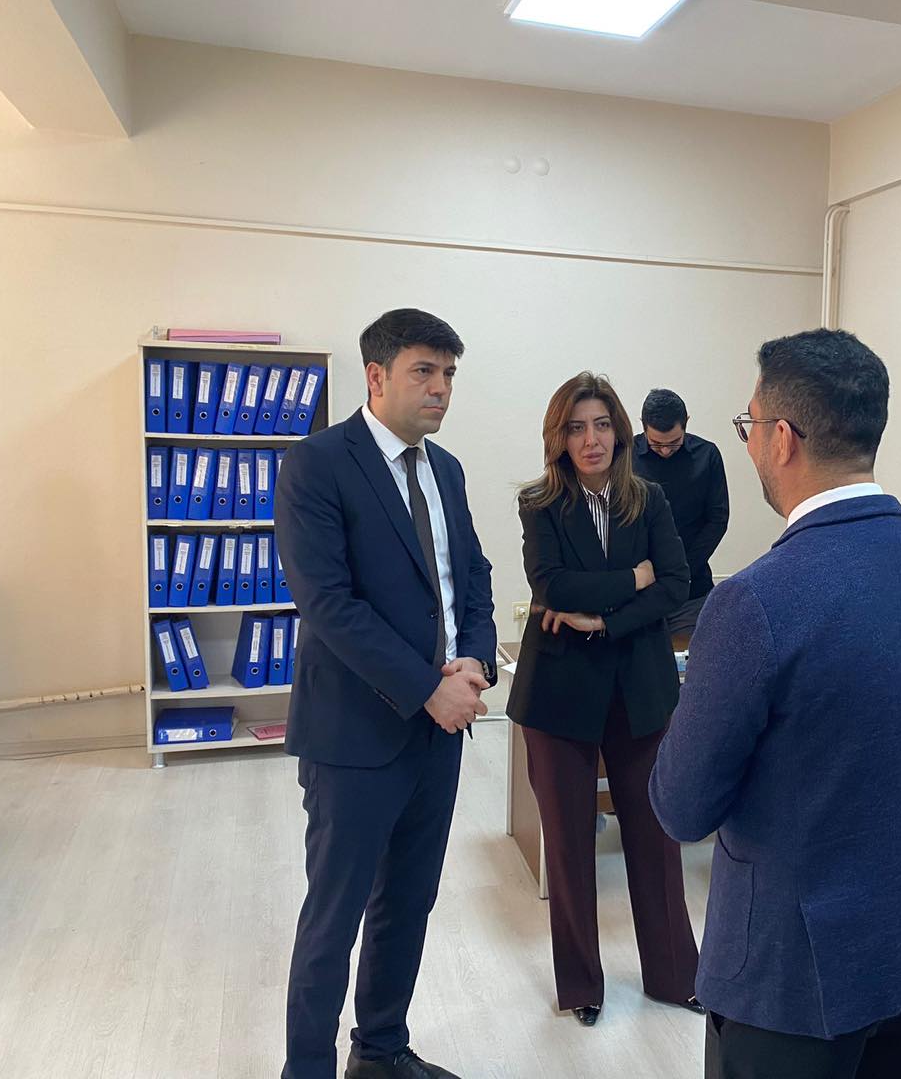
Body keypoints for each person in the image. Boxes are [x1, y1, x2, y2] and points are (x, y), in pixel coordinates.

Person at [650, 329, 901, 1079]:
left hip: (792, 978)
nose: (750, 444)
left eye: (749, 426)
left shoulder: (753, 603)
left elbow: (682, 807)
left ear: (782, 438)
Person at [275, 309, 497, 1079]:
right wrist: (426, 688)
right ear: (376, 377)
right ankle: (306, 1069)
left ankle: (380, 1051)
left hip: (438, 733)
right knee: (333, 918)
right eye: (423, 372)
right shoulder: (317, 463)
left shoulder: (447, 470)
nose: (441, 389)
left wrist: (474, 661)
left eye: (449, 374)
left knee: (408, 902)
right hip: (354, 734)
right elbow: (327, 603)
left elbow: (471, 577)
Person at [507, 372, 702, 1028]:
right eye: (575, 427)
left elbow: (675, 582)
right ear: (559, 438)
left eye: (600, 425)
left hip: (639, 688)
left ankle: (674, 976)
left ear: (619, 432)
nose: (590, 439)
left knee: (656, 838)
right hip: (558, 697)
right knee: (568, 846)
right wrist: (631, 579)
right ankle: (582, 986)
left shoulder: (648, 499)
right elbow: (552, 585)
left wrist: (605, 619)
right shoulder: (540, 503)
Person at [632, 389, 729, 636]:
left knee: (694, 656)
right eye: (656, 444)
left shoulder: (707, 455)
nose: (665, 450)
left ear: (686, 422)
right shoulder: (623, 456)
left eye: (673, 442)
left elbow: (717, 520)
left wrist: (682, 569)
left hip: (691, 591)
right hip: (637, 593)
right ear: (643, 426)